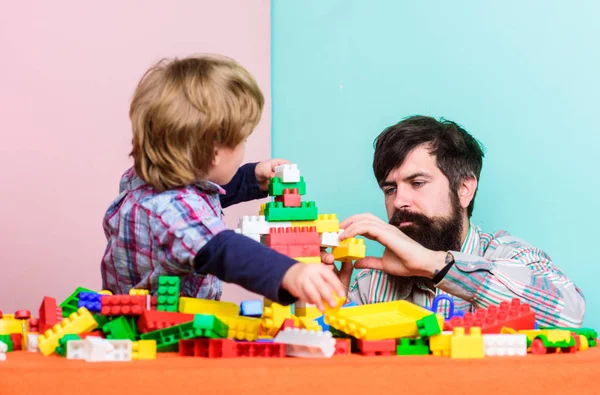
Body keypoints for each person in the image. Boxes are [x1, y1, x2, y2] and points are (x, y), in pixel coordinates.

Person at [100, 55, 344, 311]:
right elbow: (222, 249)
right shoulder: (173, 210)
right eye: (243, 141)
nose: (244, 149)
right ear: (214, 151)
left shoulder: (146, 184)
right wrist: (289, 272)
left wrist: (253, 177)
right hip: (154, 331)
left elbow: (202, 197)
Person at [323, 115, 585, 327]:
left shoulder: (514, 256)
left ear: (464, 189)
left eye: (417, 183)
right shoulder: (373, 281)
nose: (399, 200)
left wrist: (433, 264)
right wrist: (329, 314)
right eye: (390, 189)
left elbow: (570, 315)